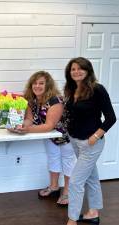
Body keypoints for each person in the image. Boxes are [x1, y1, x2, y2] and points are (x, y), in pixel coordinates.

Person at [8, 71, 76, 206]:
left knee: (68, 162)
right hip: (49, 135)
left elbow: (49, 125)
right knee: (53, 157)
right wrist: (21, 126)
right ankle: (54, 187)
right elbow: (29, 119)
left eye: (41, 83)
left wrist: (26, 130)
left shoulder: (55, 100)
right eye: (35, 83)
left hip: (66, 135)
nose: (37, 86)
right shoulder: (30, 100)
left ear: (48, 85)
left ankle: (68, 192)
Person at [65, 57, 116, 225]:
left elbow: (111, 118)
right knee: (91, 177)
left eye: (80, 68)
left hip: (91, 143)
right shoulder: (71, 89)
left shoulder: (97, 89)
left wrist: (95, 137)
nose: (76, 72)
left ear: (88, 71)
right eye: (73, 69)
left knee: (75, 181)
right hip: (75, 140)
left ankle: (72, 220)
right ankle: (93, 212)